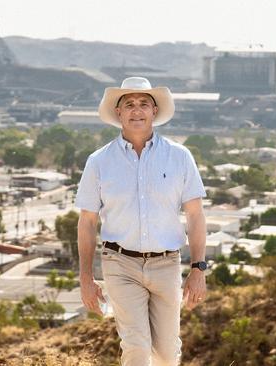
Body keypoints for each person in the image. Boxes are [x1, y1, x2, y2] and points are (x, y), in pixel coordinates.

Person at [76, 76, 208, 366]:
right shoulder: (99, 161)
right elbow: (87, 222)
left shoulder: (179, 157)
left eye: (144, 104)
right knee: (136, 347)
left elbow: (196, 215)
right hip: (120, 264)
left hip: (166, 264)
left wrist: (198, 268)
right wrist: (86, 277)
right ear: (119, 113)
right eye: (129, 104)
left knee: (166, 353)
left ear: (155, 112)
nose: (137, 110)